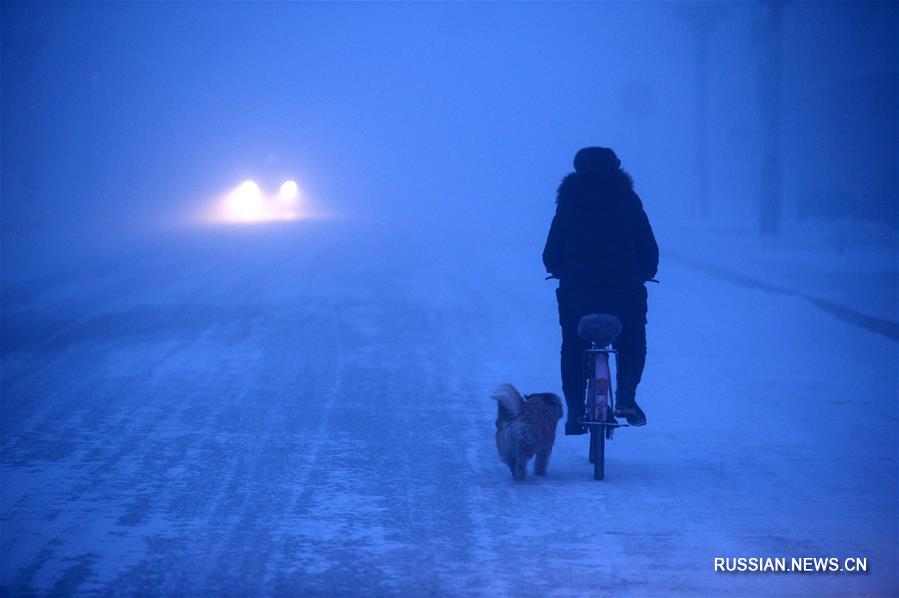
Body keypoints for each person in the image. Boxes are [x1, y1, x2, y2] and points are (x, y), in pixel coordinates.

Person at [542, 147, 658, 435]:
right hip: (624, 290)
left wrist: (559, 269)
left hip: (577, 291)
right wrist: (644, 272)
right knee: (631, 341)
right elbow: (649, 248)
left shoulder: (569, 202)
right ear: (616, 168)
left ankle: (574, 412)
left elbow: (551, 252)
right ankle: (627, 398)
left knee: (572, 346)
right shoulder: (629, 201)